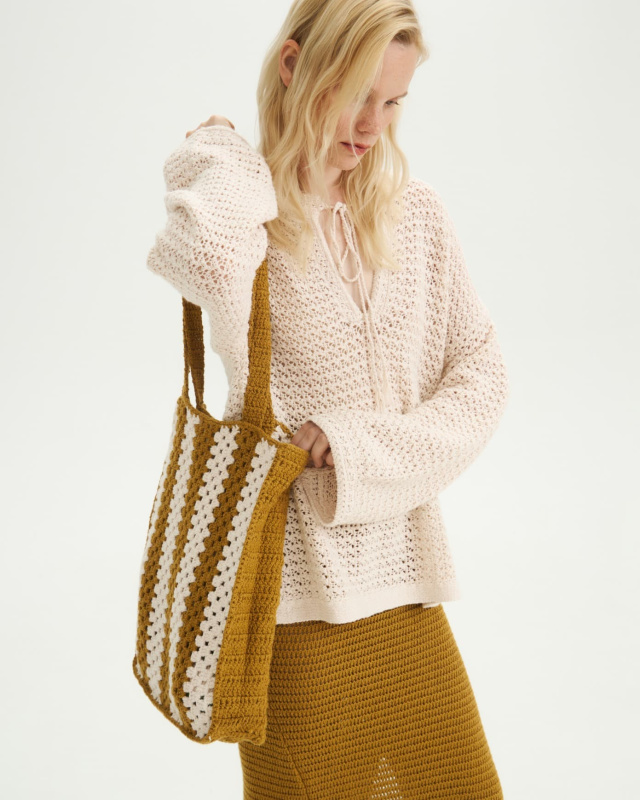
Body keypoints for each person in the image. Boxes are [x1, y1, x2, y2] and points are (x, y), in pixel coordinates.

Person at [146, 1, 510, 797]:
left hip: (407, 586)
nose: (373, 127)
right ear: (293, 67)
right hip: (290, 601)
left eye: (394, 102)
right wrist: (223, 154)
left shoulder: (416, 216)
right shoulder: (251, 223)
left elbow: (482, 377)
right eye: (355, 97)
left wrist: (355, 444)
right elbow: (199, 258)